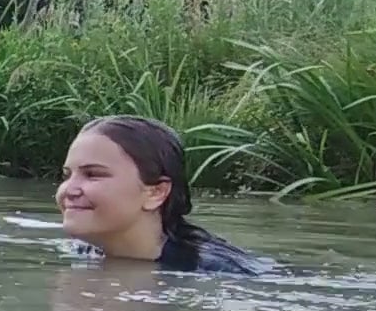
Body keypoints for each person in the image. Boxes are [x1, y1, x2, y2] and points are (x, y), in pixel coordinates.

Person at [55, 115, 270, 276]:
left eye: (93, 174)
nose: (69, 190)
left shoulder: (223, 273)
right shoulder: (82, 251)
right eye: (67, 175)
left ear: (156, 192)